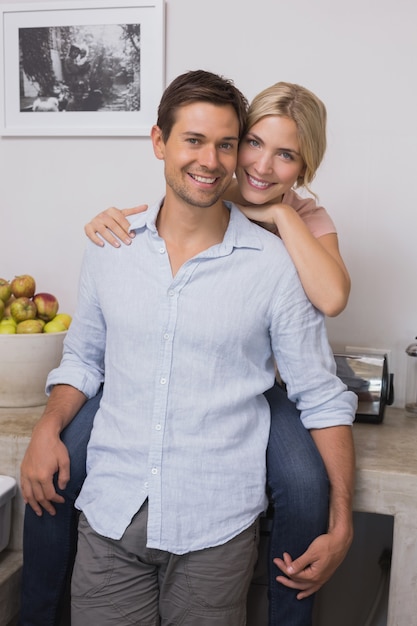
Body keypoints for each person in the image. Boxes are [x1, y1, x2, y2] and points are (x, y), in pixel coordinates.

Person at [20, 72, 356, 626]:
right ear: (161, 143)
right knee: (58, 468)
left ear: (303, 168)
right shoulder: (178, 205)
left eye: (285, 156)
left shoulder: (290, 235)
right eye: (250, 145)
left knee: (303, 485)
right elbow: (86, 355)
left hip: (257, 394)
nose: (260, 166)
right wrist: (46, 427)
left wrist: (282, 217)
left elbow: (333, 303)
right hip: (130, 441)